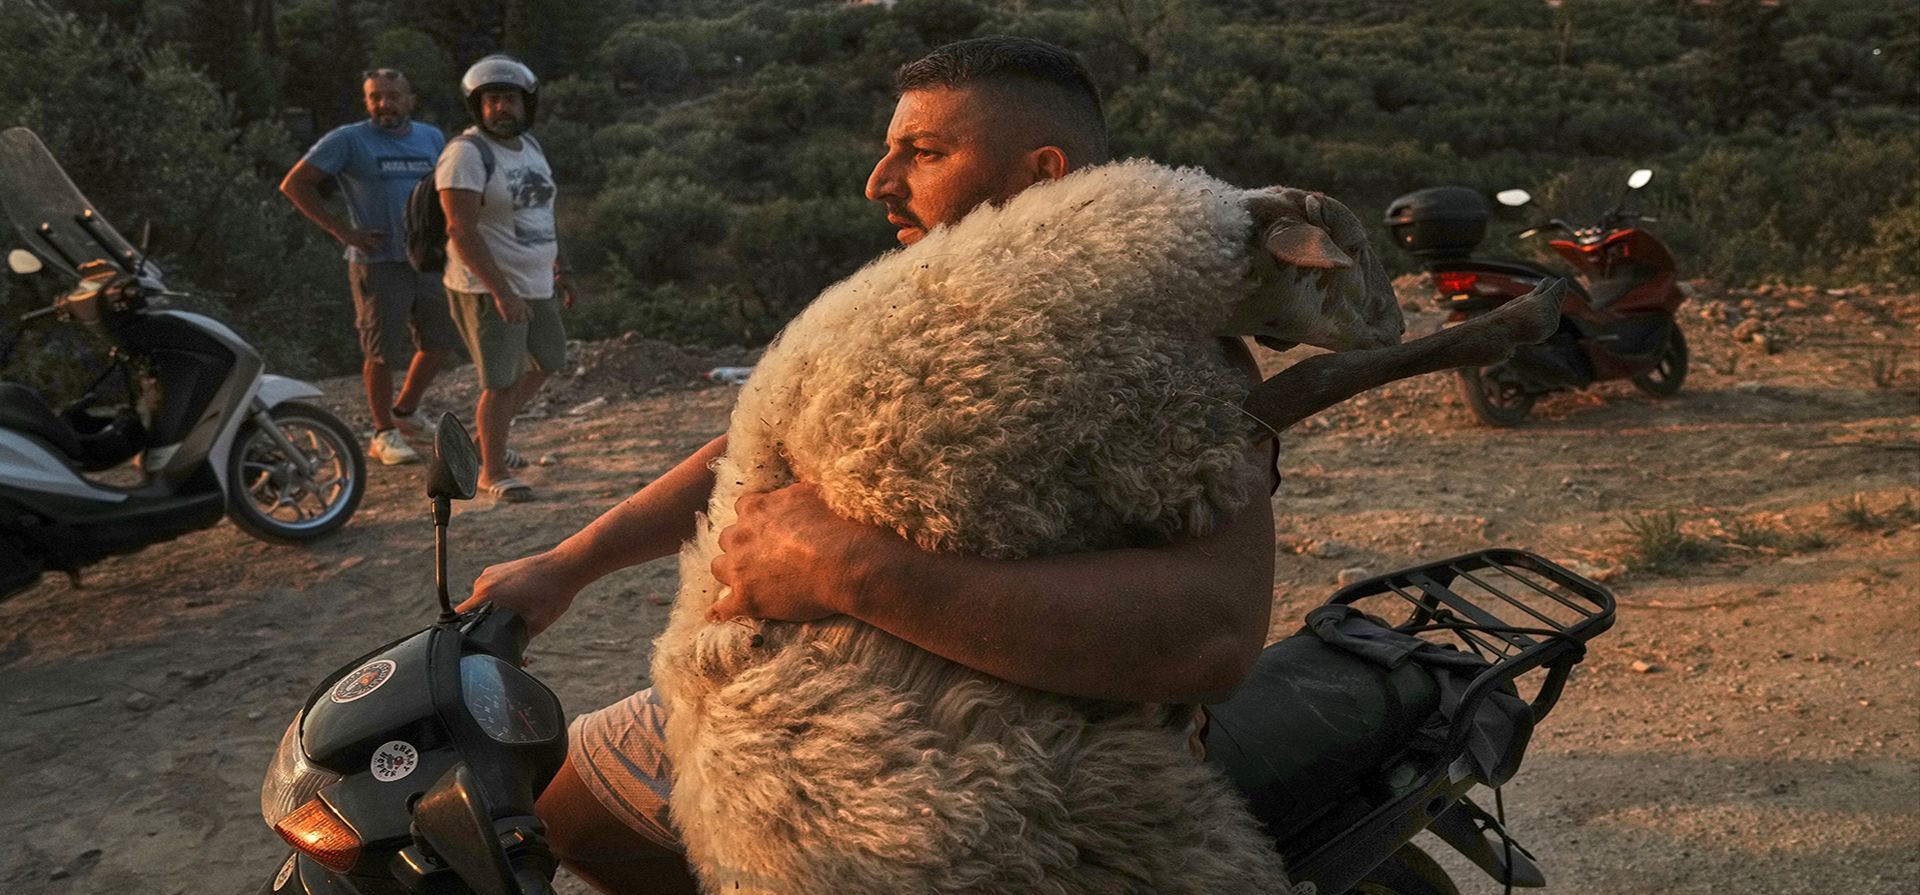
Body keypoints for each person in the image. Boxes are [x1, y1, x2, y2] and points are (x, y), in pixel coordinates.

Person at [464, 38, 1284, 892]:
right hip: (763, 714)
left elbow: (1214, 631)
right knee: (558, 809)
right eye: (889, 149)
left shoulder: (1167, 350)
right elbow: (755, 443)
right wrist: (567, 565)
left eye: (923, 154)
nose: (880, 181)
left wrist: (848, 571)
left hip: (980, 758)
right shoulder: (913, 297)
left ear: (1043, 173)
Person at [281, 68, 457, 466]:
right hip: (377, 262)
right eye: (375, 96)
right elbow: (295, 184)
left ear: (410, 99)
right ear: (366, 101)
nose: (384, 104)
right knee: (381, 353)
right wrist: (343, 231)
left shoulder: (431, 137)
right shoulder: (348, 139)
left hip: (428, 259)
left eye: (393, 96)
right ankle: (383, 433)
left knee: (440, 341)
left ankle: (406, 412)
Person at [436, 54, 580, 502]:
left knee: (549, 359)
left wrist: (562, 267)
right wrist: (500, 291)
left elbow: (543, 212)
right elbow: (460, 229)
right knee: (500, 382)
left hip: (535, 278)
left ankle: (483, 443)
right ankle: (490, 472)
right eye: (493, 100)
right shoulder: (466, 153)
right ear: (477, 106)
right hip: (489, 284)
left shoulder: (530, 147)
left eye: (510, 99)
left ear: (526, 104)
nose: (502, 108)